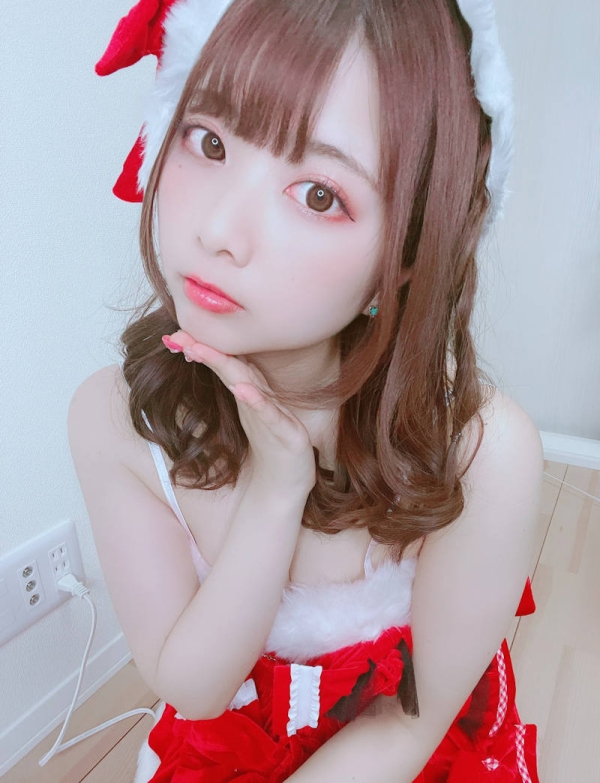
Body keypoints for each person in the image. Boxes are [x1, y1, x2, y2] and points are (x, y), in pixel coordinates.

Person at [68, 0, 544, 780]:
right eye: (210, 140)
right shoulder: (116, 419)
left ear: (404, 256)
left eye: (319, 193)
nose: (219, 230)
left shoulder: (482, 454)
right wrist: (276, 488)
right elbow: (194, 688)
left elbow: (409, 727)